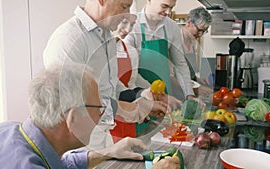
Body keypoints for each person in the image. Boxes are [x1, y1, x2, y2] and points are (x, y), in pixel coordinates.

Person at [0, 63, 180, 169]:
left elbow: (63, 164)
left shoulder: (6, 130)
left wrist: (108, 151)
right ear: (72, 118)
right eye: (98, 108)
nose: (101, 114)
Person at [43, 0, 174, 149]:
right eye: (124, 6)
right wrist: (129, 109)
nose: (127, 14)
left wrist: (140, 98)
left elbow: (113, 85)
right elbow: (73, 104)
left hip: (104, 135)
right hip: (78, 142)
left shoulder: (107, 38)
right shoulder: (69, 39)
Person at [123, 0, 196, 101]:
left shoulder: (172, 27)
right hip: (139, 95)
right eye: (164, 6)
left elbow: (180, 64)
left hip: (165, 94)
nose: (168, 12)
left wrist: (189, 94)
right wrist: (153, 93)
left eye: (171, 8)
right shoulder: (131, 26)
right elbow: (130, 70)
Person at [180, 7, 213, 98]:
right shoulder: (176, 39)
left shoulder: (193, 41)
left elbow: (187, 73)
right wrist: (195, 89)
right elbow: (172, 75)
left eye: (204, 31)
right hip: (177, 92)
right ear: (189, 23)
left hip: (188, 92)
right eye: (199, 30)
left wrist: (197, 80)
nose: (200, 35)